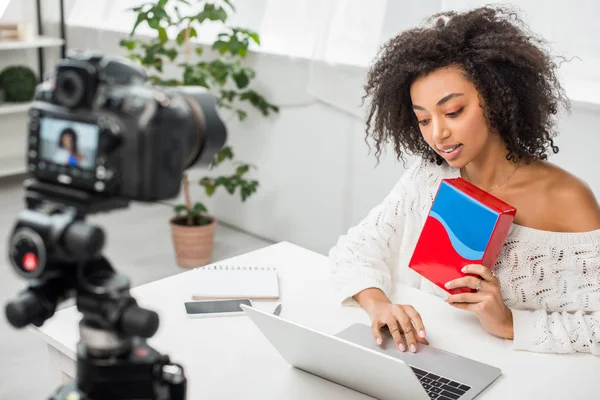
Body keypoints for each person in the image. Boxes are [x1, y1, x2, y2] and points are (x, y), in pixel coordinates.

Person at [328, 6, 600, 356]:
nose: (438, 134)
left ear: (498, 99)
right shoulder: (428, 176)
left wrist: (508, 323)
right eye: (423, 120)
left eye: (453, 112)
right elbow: (356, 250)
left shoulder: (566, 198)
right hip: (420, 353)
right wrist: (378, 303)